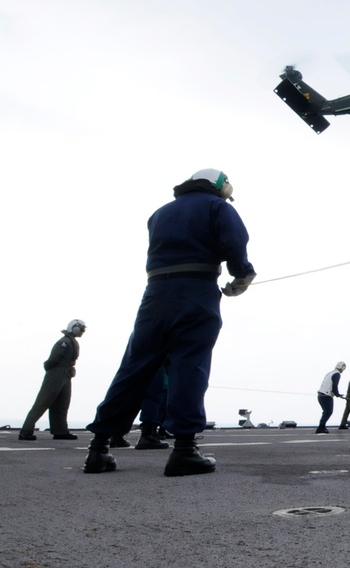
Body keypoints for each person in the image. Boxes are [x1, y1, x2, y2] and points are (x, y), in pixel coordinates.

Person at [83, 168, 256, 477]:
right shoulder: (218, 207)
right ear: (220, 184)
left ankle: (98, 448)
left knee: (135, 366)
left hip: (155, 294)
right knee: (190, 364)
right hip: (197, 290)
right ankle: (185, 451)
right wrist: (242, 275)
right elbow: (235, 241)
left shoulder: (160, 213)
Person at [19, 319, 87, 440]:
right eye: (81, 329)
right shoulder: (64, 342)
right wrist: (54, 370)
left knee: (62, 403)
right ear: (74, 328)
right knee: (43, 401)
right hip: (57, 373)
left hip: (65, 374)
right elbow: (53, 359)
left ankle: (60, 431)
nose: (82, 331)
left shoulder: (71, 341)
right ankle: (26, 430)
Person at [316, 361, 347, 433]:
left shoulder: (330, 373)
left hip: (320, 394)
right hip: (326, 395)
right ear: (341, 367)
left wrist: (337, 394)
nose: (343, 370)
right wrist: (337, 394)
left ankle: (322, 427)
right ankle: (321, 427)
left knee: (325, 412)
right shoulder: (337, 374)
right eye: (343, 368)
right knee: (328, 412)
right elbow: (335, 385)